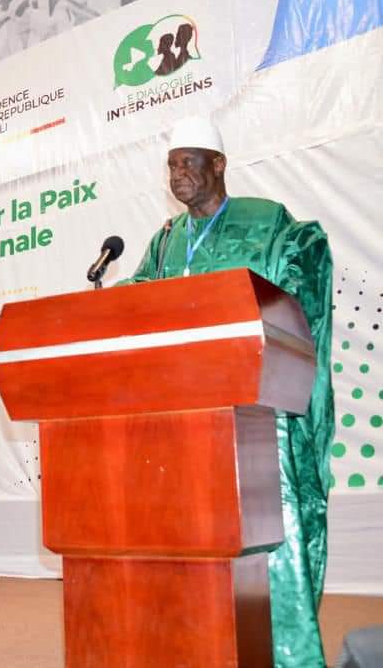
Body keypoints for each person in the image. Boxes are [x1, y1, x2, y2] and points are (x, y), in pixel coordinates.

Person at [120, 116, 334, 668]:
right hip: (184, 415)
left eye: (188, 162)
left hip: (253, 414)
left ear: (218, 164)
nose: (178, 175)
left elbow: (298, 281)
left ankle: (279, 650)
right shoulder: (167, 240)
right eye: (171, 165)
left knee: (259, 535)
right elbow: (140, 293)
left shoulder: (267, 223)